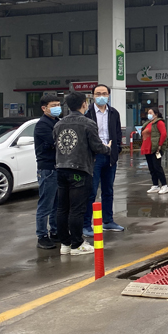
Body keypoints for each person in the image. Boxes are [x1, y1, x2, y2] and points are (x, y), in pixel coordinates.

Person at [54, 92, 111, 255]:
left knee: (62, 208)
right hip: (79, 169)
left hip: (61, 168)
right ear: (84, 104)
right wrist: (107, 148)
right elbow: (96, 146)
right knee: (77, 209)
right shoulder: (88, 123)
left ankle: (65, 244)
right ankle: (77, 244)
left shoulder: (59, 124)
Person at [83, 84, 124, 236]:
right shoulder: (87, 114)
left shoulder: (114, 113)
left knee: (108, 190)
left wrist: (117, 148)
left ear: (109, 95)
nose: (101, 96)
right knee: (91, 191)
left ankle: (108, 221)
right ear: (93, 95)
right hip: (94, 157)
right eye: (98, 93)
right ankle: (86, 224)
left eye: (104, 93)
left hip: (110, 156)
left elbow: (118, 132)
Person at [33, 94, 62, 249]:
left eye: (58, 104)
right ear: (44, 108)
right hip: (48, 169)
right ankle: (42, 235)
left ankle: (55, 232)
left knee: (57, 204)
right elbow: (57, 141)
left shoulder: (57, 121)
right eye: (53, 105)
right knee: (46, 204)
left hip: (58, 167)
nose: (57, 107)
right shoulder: (42, 125)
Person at [141, 108, 168, 194]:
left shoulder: (159, 122)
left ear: (155, 114)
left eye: (150, 113)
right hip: (147, 148)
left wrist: (160, 145)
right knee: (151, 168)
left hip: (155, 148)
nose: (148, 114)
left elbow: (164, 134)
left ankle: (164, 185)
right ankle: (155, 185)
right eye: (148, 113)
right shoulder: (148, 123)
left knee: (157, 167)